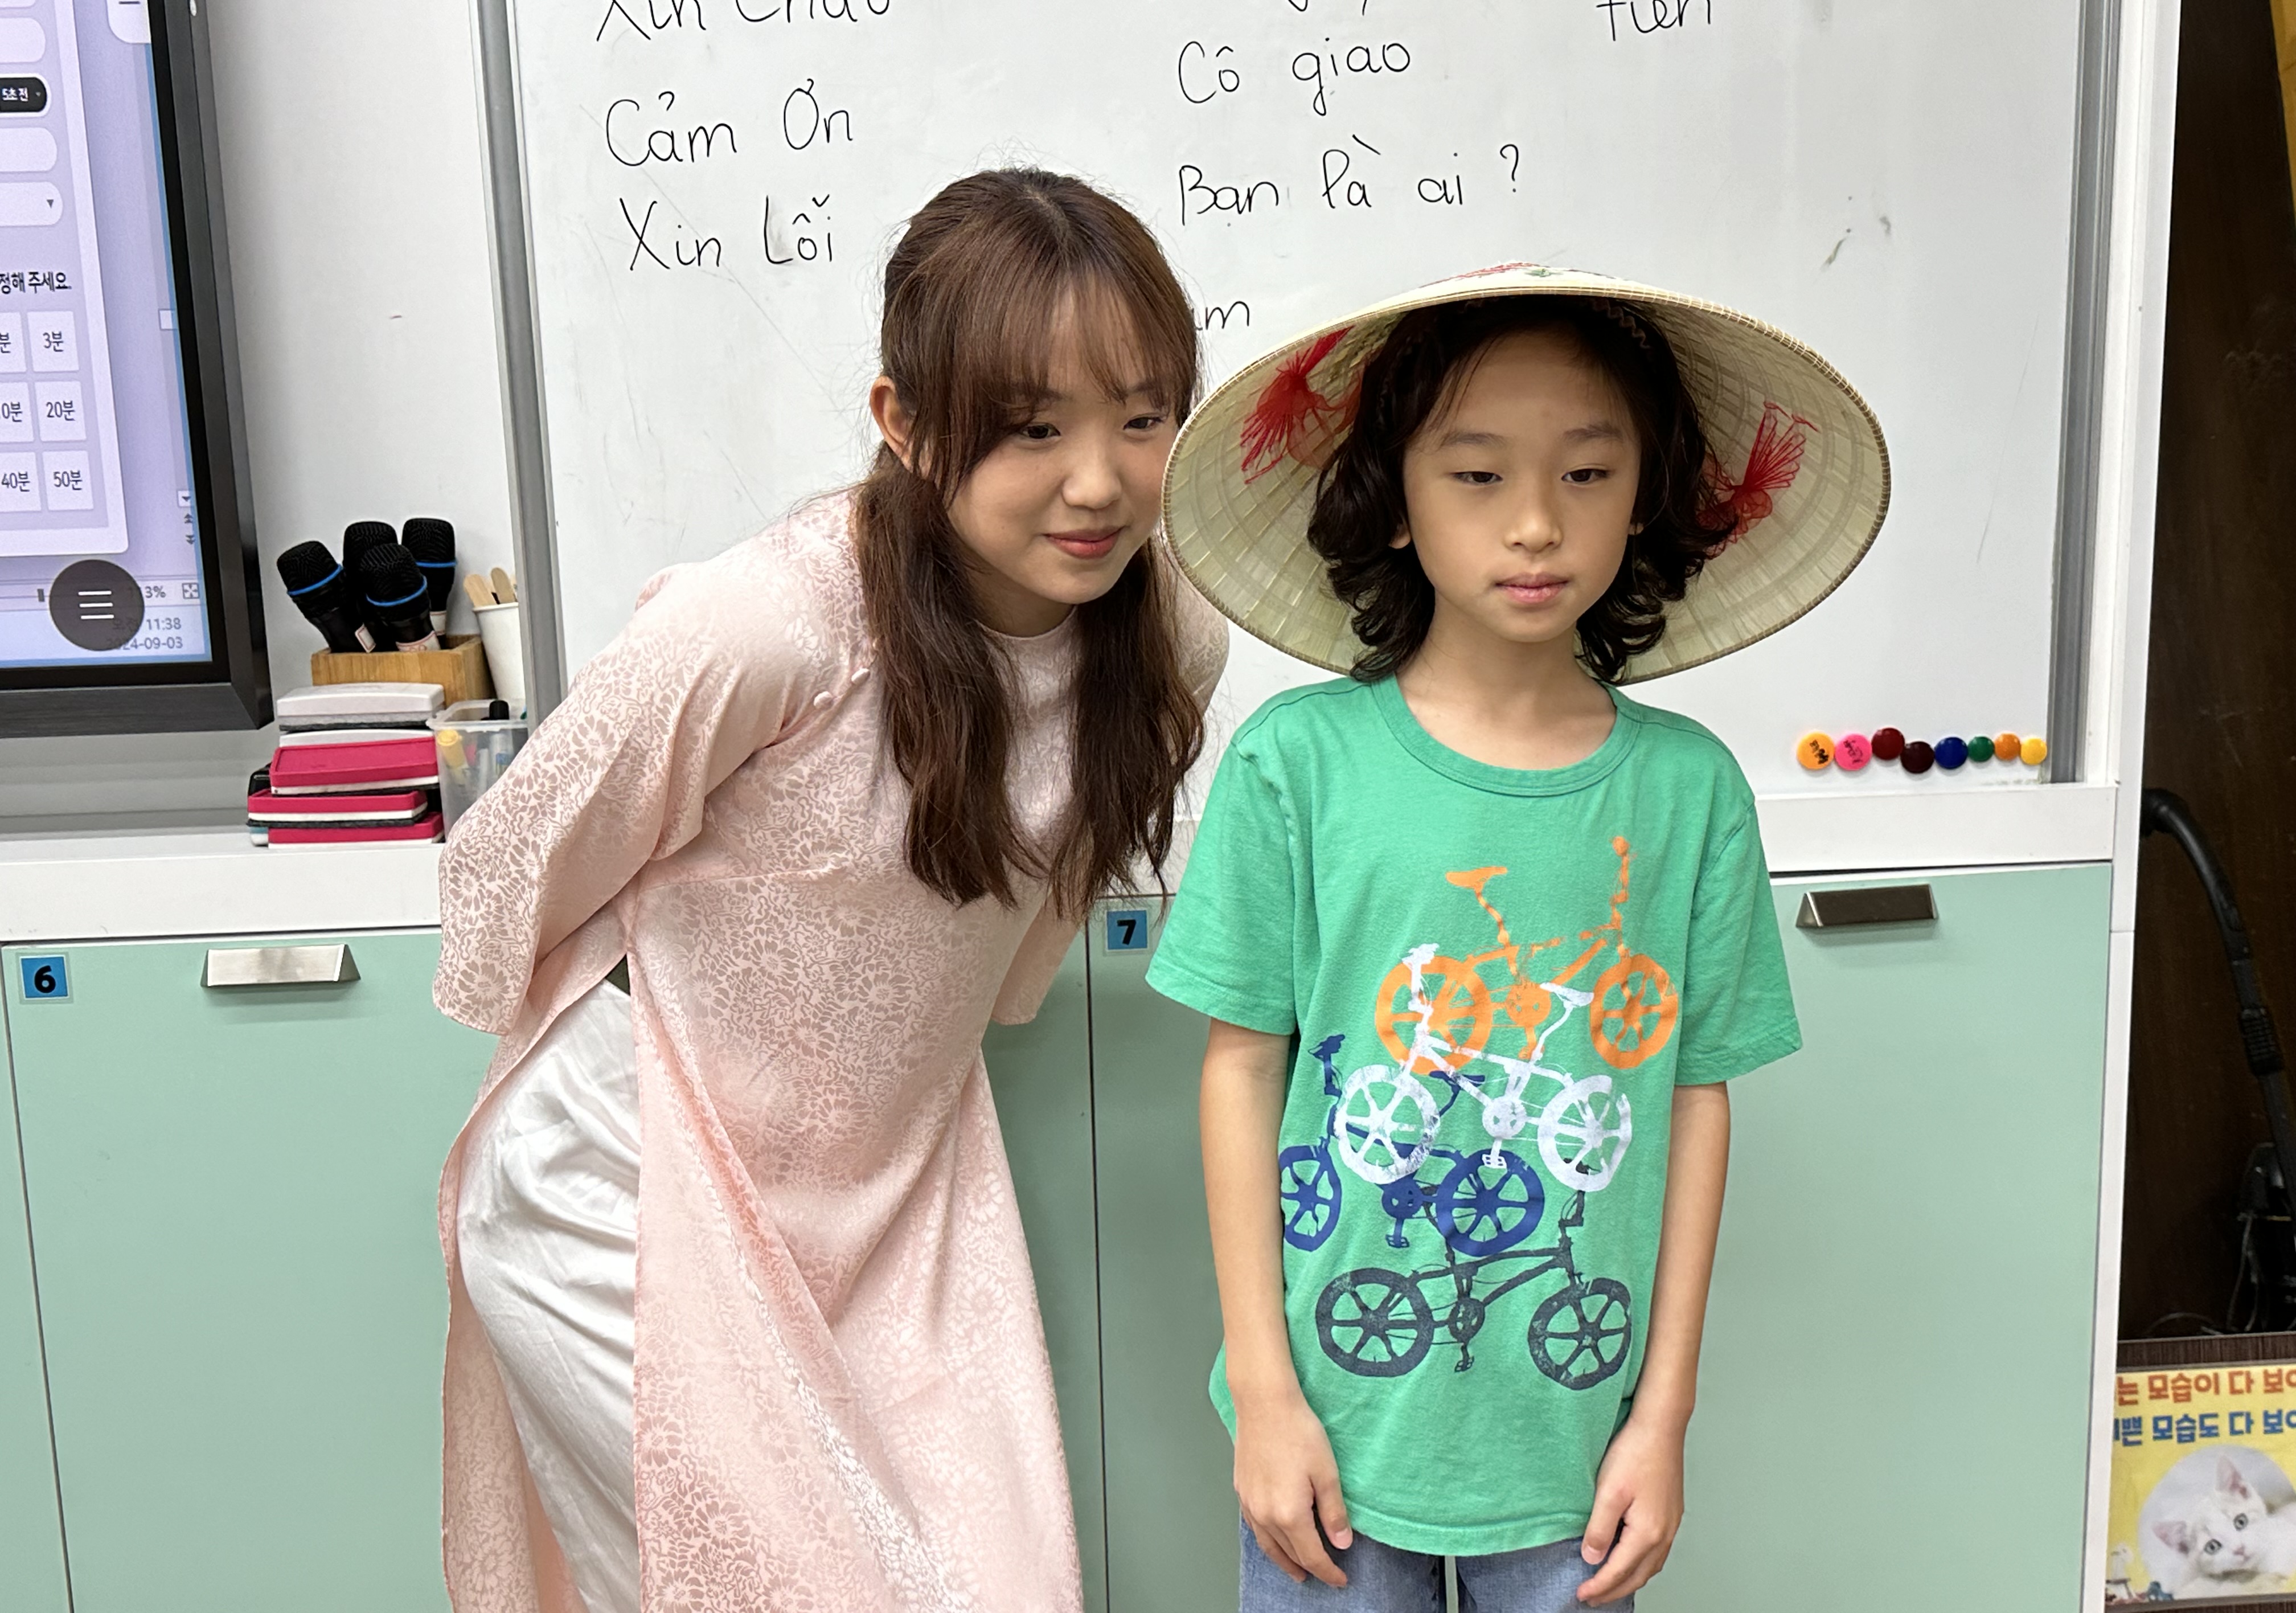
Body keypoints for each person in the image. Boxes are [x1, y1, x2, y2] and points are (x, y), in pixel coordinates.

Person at [431, 169, 1228, 1613]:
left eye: (1142, 415)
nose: (1100, 481)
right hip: (629, 1187)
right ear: (904, 423)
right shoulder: (777, 621)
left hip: (894, 1192)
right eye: (1032, 428)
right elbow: (513, 858)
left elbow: (1019, 932)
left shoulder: (1167, 630)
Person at [1146, 267, 1888, 1610]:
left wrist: (1663, 1417)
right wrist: (1263, 1393)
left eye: (1588, 475)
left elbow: (1695, 1098)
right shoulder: (1294, 768)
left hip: (1574, 1451)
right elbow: (1241, 1068)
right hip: (1325, 1436)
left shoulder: (1688, 792)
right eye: (1478, 475)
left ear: (1646, 494)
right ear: (1396, 498)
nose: (1538, 523)